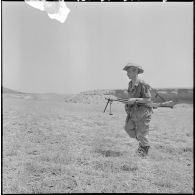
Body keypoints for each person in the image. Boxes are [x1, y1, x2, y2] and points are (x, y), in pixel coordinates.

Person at [123, 62, 153, 157]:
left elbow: (148, 99)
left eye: (129, 71)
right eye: (127, 71)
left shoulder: (142, 83)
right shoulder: (130, 84)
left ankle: (144, 153)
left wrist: (135, 99)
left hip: (143, 112)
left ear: (136, 72)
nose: (127, 73)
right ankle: (142, 143)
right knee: (128, 128)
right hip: (133, 111)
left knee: (142, 134)